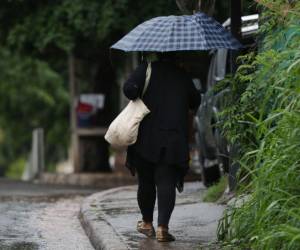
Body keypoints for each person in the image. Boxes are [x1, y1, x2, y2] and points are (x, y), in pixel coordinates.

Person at [123, 53, 201, 242]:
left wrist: (139, 82)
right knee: (166, 181)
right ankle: (162, 228)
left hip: (146, 138)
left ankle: (147, 223)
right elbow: (195, 101)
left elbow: (128, 90)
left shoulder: (146, 69)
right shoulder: (182, 75)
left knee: (146, 182)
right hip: (173, 138)